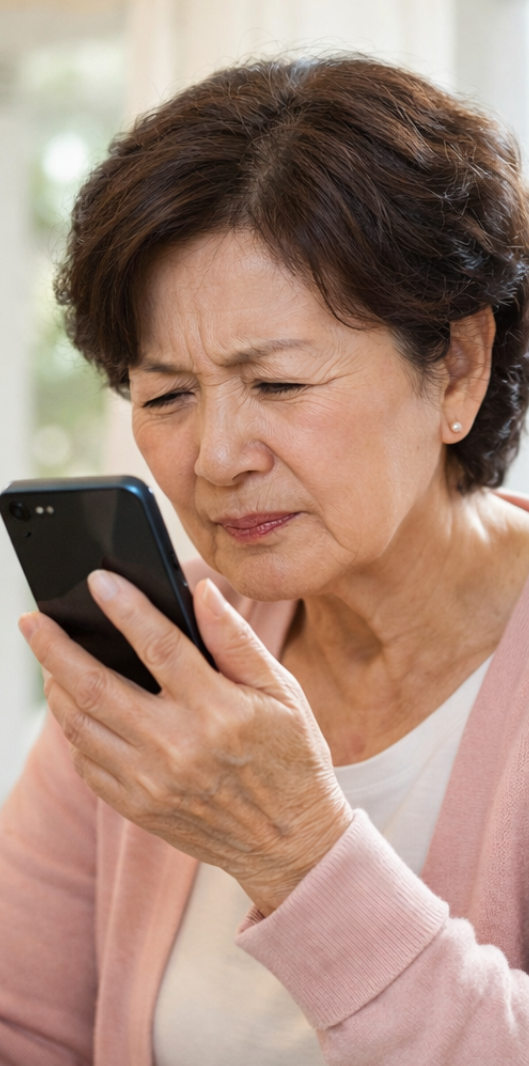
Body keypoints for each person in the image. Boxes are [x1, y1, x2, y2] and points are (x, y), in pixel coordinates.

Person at [0, 53, 529, 1066]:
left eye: (277, 385)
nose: (213, 458)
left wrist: (297, 848)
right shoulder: (164, 662)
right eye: (164, 395)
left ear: (456, 364)